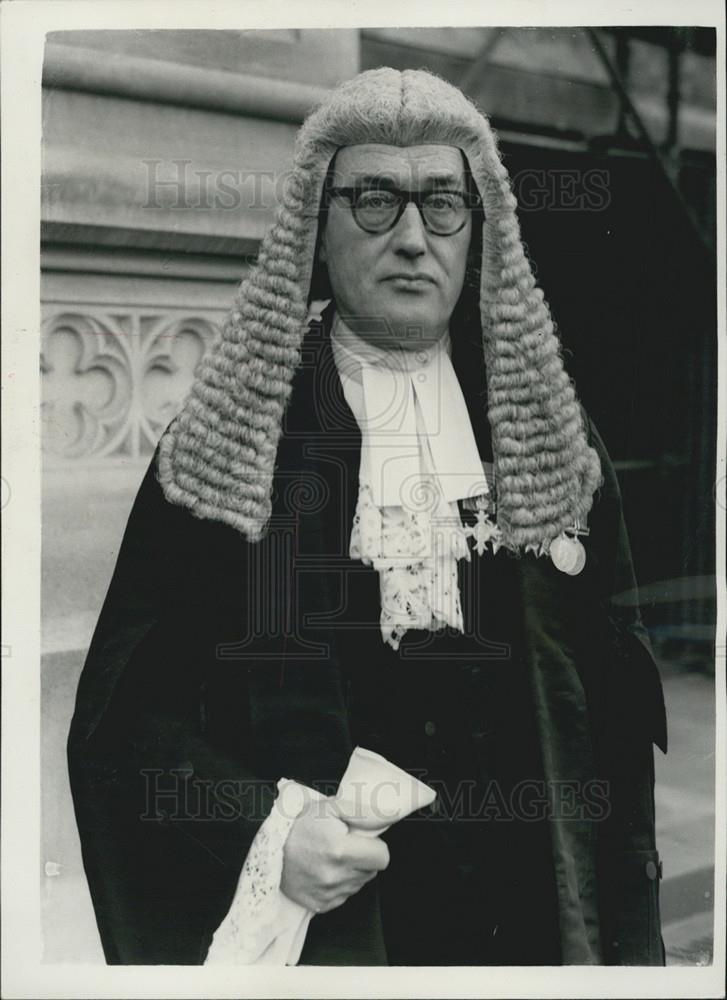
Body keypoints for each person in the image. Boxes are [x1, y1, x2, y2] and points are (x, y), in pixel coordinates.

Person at [67, 67, 668, 966]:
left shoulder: (546, 434)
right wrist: (267, 835)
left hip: (527, 927)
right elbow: (125, 721)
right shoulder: (233, 440)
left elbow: (613, 724)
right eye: (376, 200)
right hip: (341, 938)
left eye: (442, 204)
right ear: (316, 224)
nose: (414, 240)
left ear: (479, 228)